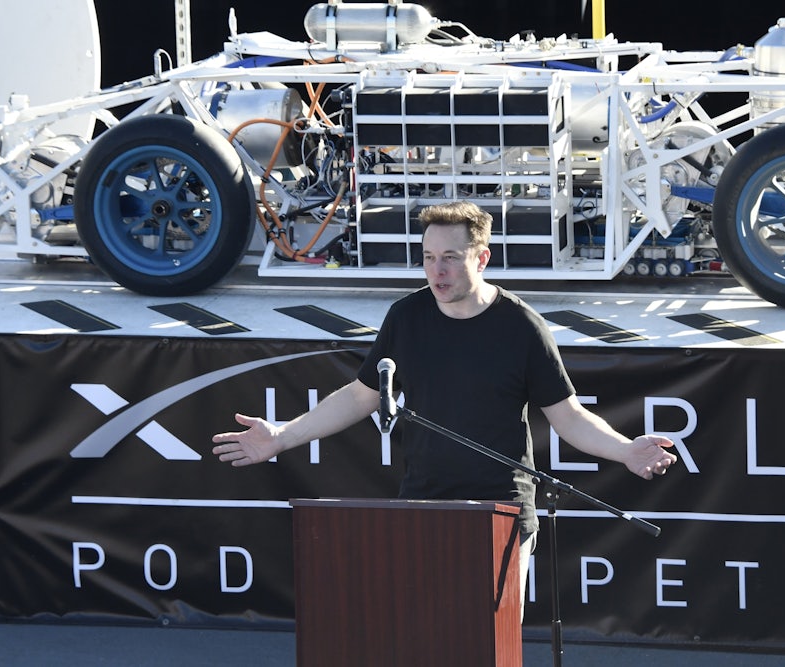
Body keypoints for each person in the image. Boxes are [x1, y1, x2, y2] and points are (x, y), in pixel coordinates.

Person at [212, 200, 677, 613]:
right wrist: (281, 435)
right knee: (426, 637)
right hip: (425, 505)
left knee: (490, 644)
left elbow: (568, 416)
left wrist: (625, 450)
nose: (438, 272)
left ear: (482, 258)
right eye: (430, 259)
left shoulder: (521, 328)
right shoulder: (407, 318)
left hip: (503, 511)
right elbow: (360, 396)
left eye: (451, 259)